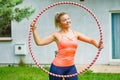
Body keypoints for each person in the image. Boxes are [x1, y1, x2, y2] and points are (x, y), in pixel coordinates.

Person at [30, 12, 104, 80]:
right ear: (59, 23)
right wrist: (34, 30)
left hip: (71, 67)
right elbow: (39, 42)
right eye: (64, 20)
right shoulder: (56, 35)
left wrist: (98, 45)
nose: (68, 21)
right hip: (57, 68)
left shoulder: (75, 34)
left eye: (68, 18)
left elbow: (90, 40)